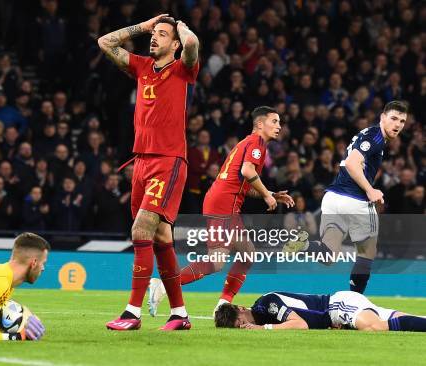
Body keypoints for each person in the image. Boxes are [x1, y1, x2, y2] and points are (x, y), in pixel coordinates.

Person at [98, 14, 199, 331]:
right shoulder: (141, 67)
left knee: (141, 231)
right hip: (141, 162)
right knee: (159, 238)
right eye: (153, 34)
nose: (154, 38)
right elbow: (105, 42)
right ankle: (180, 315)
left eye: (162, 34)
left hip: (168, 162)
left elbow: (194, 44)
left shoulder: (183, 69)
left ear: (175, 43)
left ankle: (132, 313)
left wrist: (180, 28)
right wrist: (143, 26)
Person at [149, 106, 294, 317]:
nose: (279, 127)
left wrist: (269, 192)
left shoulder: (248, 142)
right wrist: (266, 195)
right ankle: (164, 285)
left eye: (280, 122)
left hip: (223, 200)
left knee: (247, 253)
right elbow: (247, 171)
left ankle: (223, 303)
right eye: (275, 121)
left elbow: (243, 182)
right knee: (217, 261)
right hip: (223, 204)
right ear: (260, 124)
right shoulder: (257, 143)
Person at [283, 100, 408, 294]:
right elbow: (351, 163)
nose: (398, 124)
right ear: (382, 118)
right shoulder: (375, 136)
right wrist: (370, 190)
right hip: (355, 201)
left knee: (328, 255)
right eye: (393, 118)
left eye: (402, 121)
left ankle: (305, 245)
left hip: (333, 198)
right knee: (367, 253)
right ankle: (354, 301)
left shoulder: (369, 135)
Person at [214, 290, 426, 333]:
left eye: (241, 322)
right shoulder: (263, 312)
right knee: (390, 319)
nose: (244, 327)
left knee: (375, 328)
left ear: (241, 309)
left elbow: (300, 324)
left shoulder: (266, 304)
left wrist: (261, 329)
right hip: (337, 314)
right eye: (239, 328)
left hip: (337, 306)